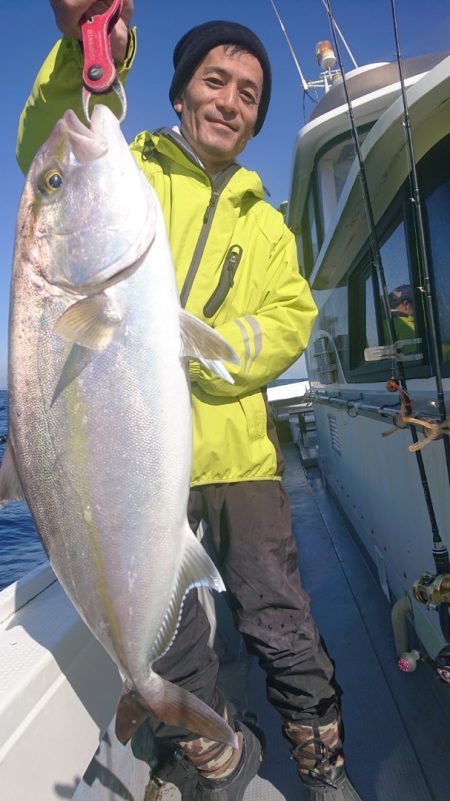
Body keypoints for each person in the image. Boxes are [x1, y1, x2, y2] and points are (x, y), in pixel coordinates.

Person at [17, 4, 364, 800]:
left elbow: (290, 318)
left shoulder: (268, 221)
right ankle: (211, 762)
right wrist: (91, 44)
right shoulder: (125, 166)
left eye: (249, 92)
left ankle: (322, 765)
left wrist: (196, 353)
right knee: (173, 642)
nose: (231, 100)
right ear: (177, 95)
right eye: (215, 80)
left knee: (280, 620)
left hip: (238, 458)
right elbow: (57, 126)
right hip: (133, 474)